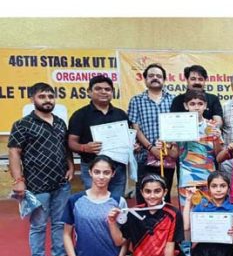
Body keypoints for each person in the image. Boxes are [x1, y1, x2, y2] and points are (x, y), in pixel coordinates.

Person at [8, 82, 74, 256]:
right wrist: (18, 179)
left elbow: (65, 148)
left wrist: (70, 165)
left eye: (50, 96)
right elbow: (14, 152)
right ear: (32, 99)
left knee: (59, 222)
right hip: (37, 184)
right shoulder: (22, 125)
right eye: (42, 96)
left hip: (61, 183)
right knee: (38, 225)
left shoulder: (61, 122)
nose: (47, 100)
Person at [64, 155, 128, 256]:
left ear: (112, 174)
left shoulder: (119, 201)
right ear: (90, 172)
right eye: (97, 172)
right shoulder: (75, 200)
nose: (101, 176)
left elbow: (125, 239)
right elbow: (66, 235)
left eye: (106, 173)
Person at [111, 173, 186, 256]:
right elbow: (120, 241)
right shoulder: (133, 213)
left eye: (157, 191)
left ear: (165, 192)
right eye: (147, 191)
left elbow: (169, 248)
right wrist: (111, 222)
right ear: (141, 192)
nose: (152, 196)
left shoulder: (173, 213)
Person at [67, 75, 130, 200]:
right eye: (98, 89)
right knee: (95, 202)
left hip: (117, 168)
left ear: (112, 92)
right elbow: (71, 142)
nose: (103, 92)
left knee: (116, 204)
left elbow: (128, 138)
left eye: (107, 89)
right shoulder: (80, 115)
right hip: (92, 167)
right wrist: (85, 147)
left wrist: (133, 145)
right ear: (89, 92)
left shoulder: (121, 114)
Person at [182, 171, 233, 256]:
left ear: (228, 188)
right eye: (214, 186)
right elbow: (186, 227)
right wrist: (188, 201)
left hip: (225, 255)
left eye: (222, 186)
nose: (218, 189)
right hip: (203, 255)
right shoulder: (202, 206)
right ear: (208, 188)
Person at [128, 63, 177, 203]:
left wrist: (168, 148)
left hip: (167, 156)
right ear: (145, 79)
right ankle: (144, 224)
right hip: (144, 155)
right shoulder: (136, 101)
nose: (155, 78)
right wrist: (151, 148)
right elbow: (135, 128)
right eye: (151, 76)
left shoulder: (174, 100)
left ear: (164, 79)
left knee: (164, 193)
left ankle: (165, 224)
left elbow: (178, 127)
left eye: (158, 76)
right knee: (144, 193)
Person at [175, 90, 224, 205]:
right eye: (192, 104)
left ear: (205, 106)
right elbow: (174, 155)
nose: (196, 107)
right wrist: (165, 144)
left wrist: (216, 138)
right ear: (186, 106)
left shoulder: (212, 126)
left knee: (207, 214)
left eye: (200, 104)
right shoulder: (178, 127)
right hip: (187, 178)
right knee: (187, 214)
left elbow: (219, 156)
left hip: (208, 178)